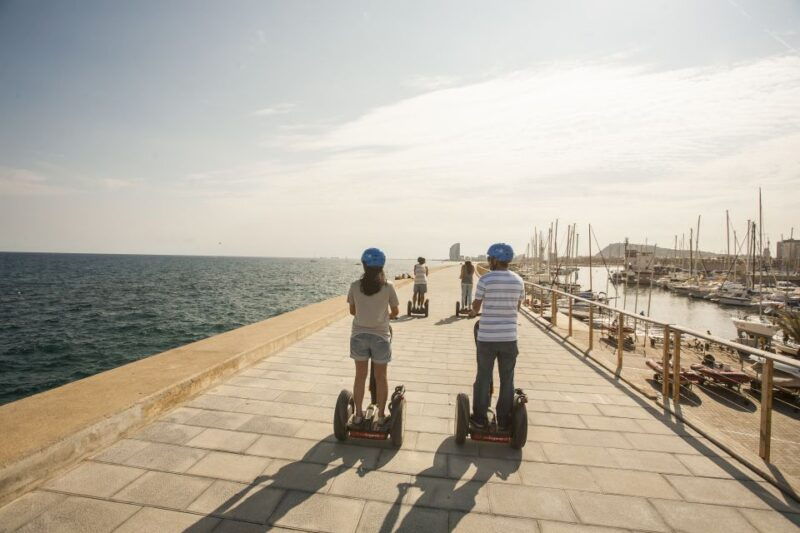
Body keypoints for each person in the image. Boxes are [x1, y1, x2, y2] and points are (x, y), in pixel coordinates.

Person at [469, 243, 524, 429]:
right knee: (507, 379)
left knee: (484, 376)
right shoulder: (518, 280)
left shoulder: (486, 280)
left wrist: (473, 312)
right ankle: (504, 419)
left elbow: (476, 306)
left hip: (487, 338)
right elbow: (518, 307)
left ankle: (479, 418)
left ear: (493, 260)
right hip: (509, 337)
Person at [347, 248, 399, 425]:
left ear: (364, 264)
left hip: (359, 336)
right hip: (380, 337)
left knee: (359, 376)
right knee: (381, 377)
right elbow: (396, 311)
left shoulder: (355, 286)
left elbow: (353, 311)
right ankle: (382, 415)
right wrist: (383, 317)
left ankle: (359, 414)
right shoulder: (388, 286)